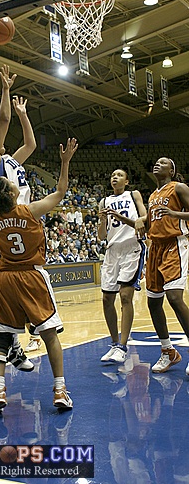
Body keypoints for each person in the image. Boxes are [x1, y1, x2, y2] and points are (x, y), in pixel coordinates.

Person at [0, 138, 77, 413]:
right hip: (31, 275)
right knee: (50, 334)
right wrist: (65, 162)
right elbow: (61, 191)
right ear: (10, 194)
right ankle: (60, 390)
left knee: (1, 335)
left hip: (5, 278)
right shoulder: (30, 210)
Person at [0, 65, 40, 364]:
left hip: (23, 221)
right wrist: (4, 89)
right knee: (9, 289)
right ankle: (8, 342)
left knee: (18, 289)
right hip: (5, 226)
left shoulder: (11, 161)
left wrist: (24, 115)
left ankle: (10, 343)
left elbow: (31, 144)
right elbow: (2, 120)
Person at [136, 157, 189, 375]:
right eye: (156, 162)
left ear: (172, 169)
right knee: (153, 303)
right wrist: (140, 221)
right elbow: (151, 221)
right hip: (155, 247)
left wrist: (176, 214)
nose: (158, 164)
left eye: (164, 162)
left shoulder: (179, 187)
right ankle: (168, 351)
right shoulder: (153, 195)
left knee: (175, 298)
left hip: (174, 244)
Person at [98, 169, 147, 364]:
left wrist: (120, 216)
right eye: (112, 175)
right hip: (112, 251)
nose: (114, 177)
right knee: (106, 299)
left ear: (126, 181)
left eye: (119, 175)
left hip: (131, 247)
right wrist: (102, 221)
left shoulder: (133, 195)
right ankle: (114, 343)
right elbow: (101, 236)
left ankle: (123, 346)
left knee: (125, 296)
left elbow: (144, 219)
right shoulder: (104, 202)